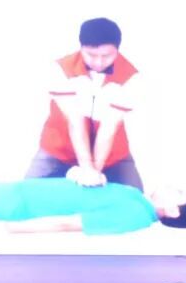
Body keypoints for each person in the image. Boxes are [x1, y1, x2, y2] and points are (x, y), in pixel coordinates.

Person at [26, 17, 145, 190]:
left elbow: (108, 130)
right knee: (25, 193)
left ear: (118, 50)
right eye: (91, 55)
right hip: (58, 149)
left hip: (112, 155)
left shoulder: (131, 78)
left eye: (107, 56)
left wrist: (93, 173)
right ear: (81, 48)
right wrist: (87, 169)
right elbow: (75, 122)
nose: (98, 62)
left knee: (136, 197)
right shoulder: (61, 70)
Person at [0, 175, 186, 234]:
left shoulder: (135, 215)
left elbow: (68, 224)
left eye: (181, 193)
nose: (175, 186)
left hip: (11, 204)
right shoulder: (136, 200)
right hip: (13, 195)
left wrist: (12, 226)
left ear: (173, 211)